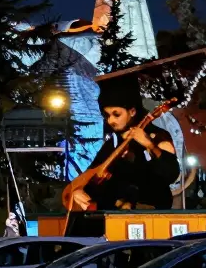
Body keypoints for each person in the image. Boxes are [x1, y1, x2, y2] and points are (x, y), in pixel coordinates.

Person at [70, 74, 180, 211]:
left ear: (132, 111)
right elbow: (94, 173)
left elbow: (171, 174)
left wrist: (150, 145)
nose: (111, 121)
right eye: (107, 115)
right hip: (114, 210)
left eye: (116, 114)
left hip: (148, 208)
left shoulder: (157, 137)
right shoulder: (113, 142)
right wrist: (80, 190)